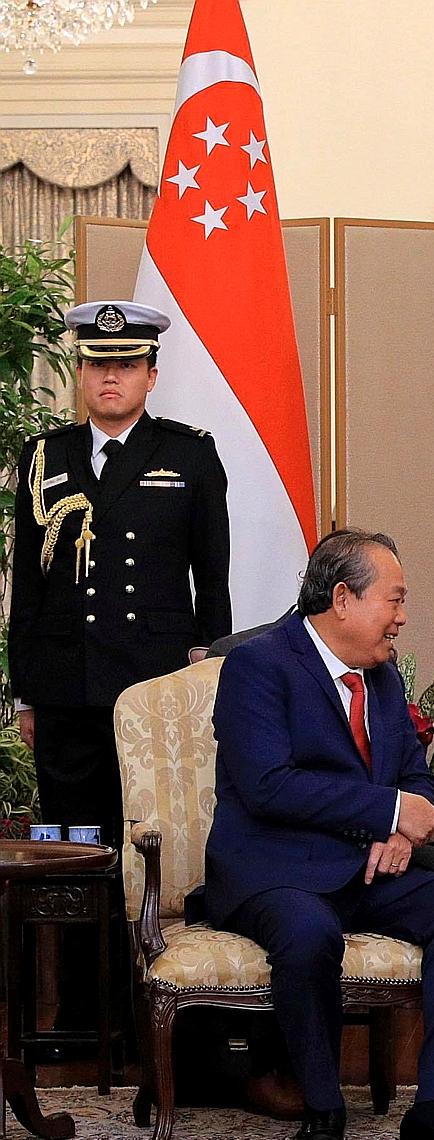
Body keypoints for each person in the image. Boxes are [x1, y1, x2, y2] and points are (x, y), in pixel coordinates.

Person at [203, 528, 434, 1140]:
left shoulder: (380, 677)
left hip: (366, 867)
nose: (402, 618)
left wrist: (402, 830)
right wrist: (386, 812)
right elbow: (268, 787)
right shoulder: (258, 666)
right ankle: (323, 1109)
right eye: (394, 600)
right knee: (308, 932)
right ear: (343, 598)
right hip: (277, 871)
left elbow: (416, 777)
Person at [9, 300, 231, 1044]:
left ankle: (159, 1013)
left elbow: (214, 581)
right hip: (67, 689)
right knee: (77, 849)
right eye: (99, 365)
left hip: (154, 692)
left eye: (126, 365)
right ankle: (80, 1012)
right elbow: (27, 586)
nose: (111, 377)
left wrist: (207, 670)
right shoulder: (46, 457)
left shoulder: (190, 455)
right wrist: (24, 690)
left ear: (151, 375)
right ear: (81, 374)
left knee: (154, 848)